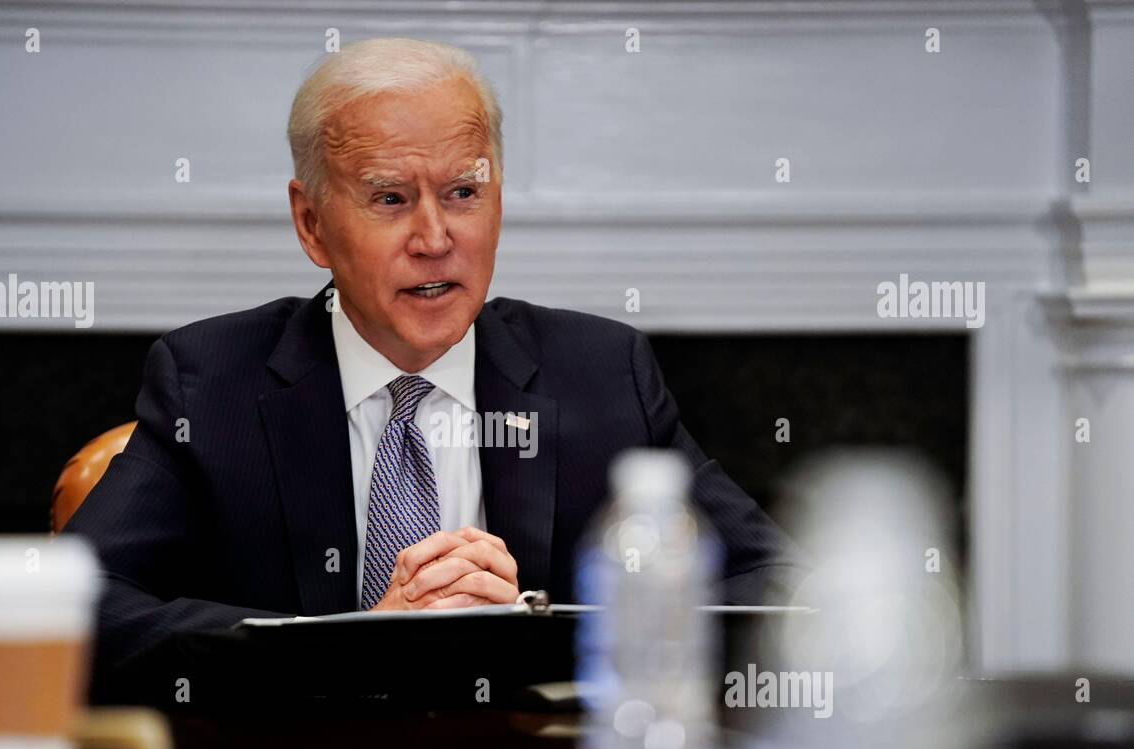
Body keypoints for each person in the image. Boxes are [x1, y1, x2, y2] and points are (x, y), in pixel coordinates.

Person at [66, 37, 805, 681]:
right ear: (312, 223)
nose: (434, 237)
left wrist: (537, 630)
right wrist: (348, 647)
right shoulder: (212, 381)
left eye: (462, 192)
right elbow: (79, 607)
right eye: (389, 198)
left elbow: (776, 585)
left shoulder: (602, 374)